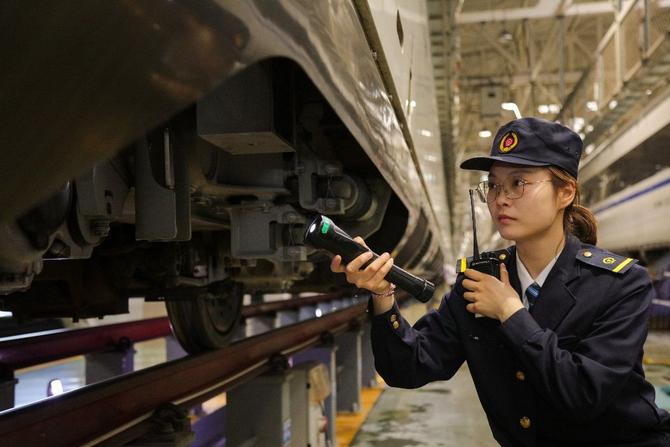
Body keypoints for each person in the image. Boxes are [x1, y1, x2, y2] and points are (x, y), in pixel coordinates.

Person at [330, 117, 670, 447]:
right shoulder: (479, 279)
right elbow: (409, 368)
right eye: (493, 185)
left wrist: (511, 312)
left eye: (518, 183)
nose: (500, 199)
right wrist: (383, 294)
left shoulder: (620, 285)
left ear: (565, 192)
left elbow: (583, 395)